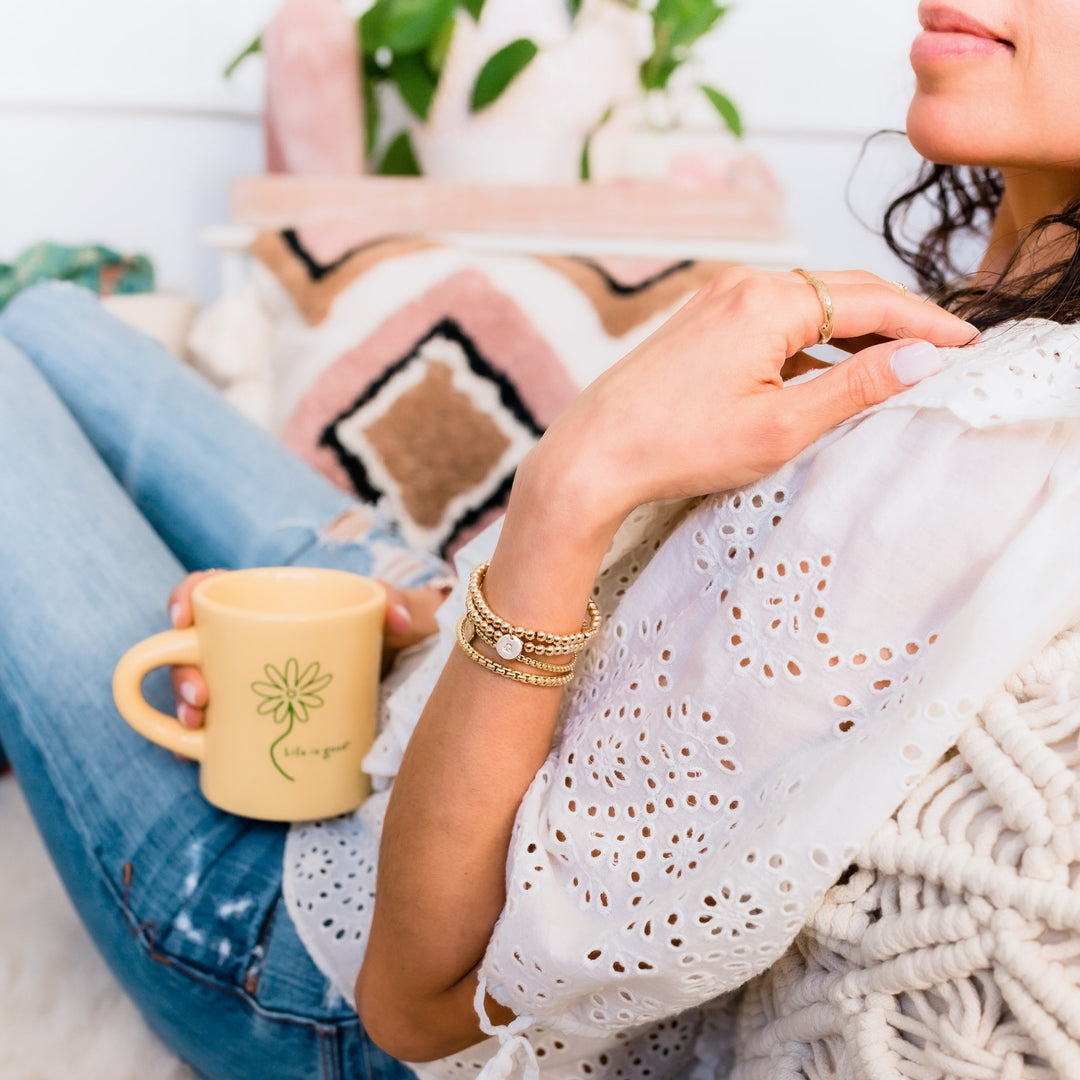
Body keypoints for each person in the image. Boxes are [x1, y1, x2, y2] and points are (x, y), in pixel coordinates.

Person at [2, 2, 1080, 1078]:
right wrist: (419, 636)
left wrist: (577, 473)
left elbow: (418, 1005)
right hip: (427, 672)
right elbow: (652, 654)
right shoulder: (978, 329)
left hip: (304, 962)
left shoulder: (986, 439)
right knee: (45, 318)